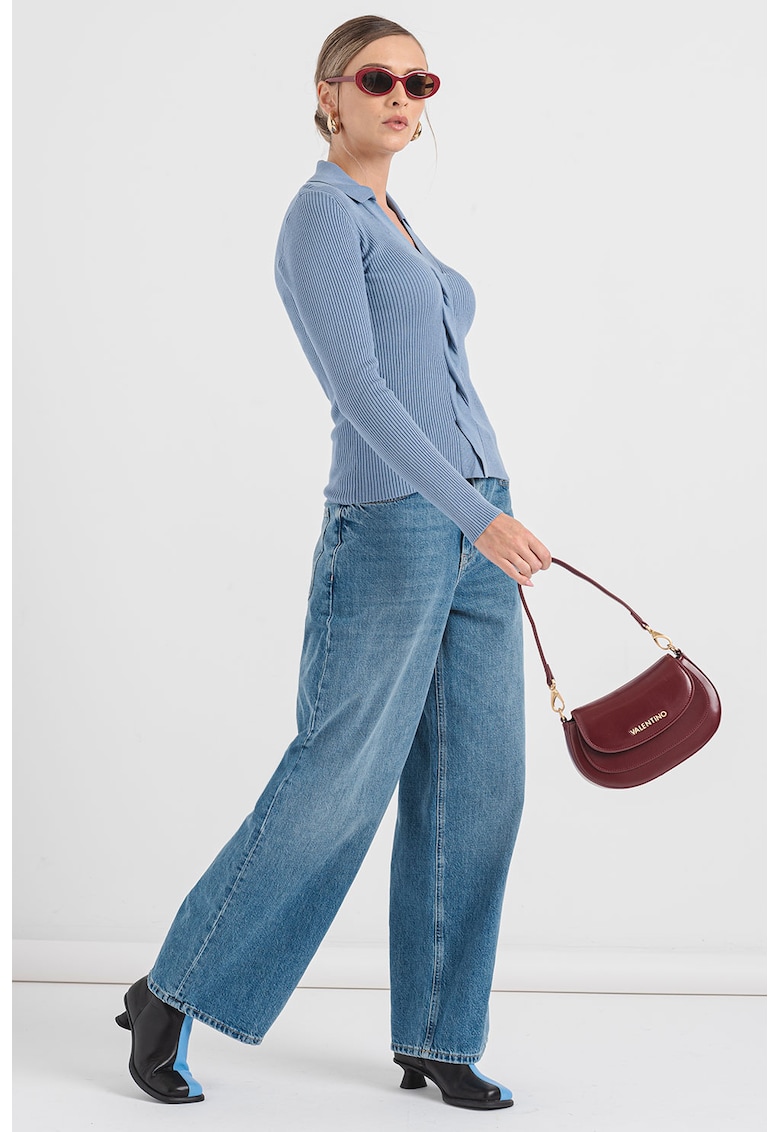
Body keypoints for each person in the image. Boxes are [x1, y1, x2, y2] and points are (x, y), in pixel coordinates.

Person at [115, 13, 551, 1113]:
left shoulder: (398, 220)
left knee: (478, 788)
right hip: (400, 524)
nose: (402, 97)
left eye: (420, 82)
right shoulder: (321, 214)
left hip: (478, 519)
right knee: (339, 777)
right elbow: (358, 390)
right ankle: (172, 989)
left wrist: (490, 507)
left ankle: (439, 1038)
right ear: (329, 93)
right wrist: (472, 513)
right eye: (379, 78)